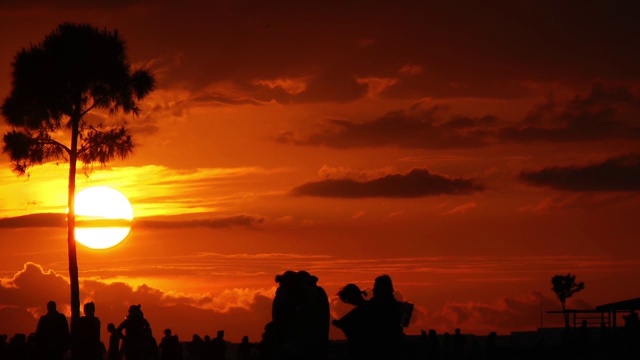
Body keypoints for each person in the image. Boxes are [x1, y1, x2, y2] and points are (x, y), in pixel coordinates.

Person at [332, 283, 371, 360]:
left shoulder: (363, 310)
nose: (349, 302)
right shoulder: (365, 307)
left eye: (348, 299)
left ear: (353, 295)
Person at [368, 275, 404, 359]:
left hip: (383, 344)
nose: (374, 290)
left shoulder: (385, 304)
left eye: (376, 287)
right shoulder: (389, 303)